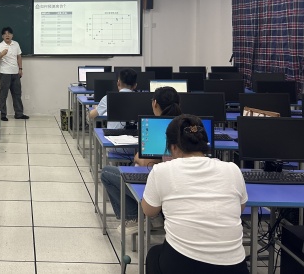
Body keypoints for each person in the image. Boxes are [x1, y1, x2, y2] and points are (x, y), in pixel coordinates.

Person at [143, 114, 248, 274]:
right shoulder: (233, 169)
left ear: (173, 147)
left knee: (153, 254)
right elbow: (239, 209)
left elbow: (149, 211)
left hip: (185, 264)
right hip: (235, 268)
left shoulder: (161, 171)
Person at [100, 86, 182, 231]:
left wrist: (137, 157)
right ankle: (153, 216)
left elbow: (146, 162)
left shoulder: (156, 125)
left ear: (154, 103)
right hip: (179, 182)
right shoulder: (188, 124)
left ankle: (136, 218)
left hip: (162, 181)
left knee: (107, 173)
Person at [0, 26, 28, 121]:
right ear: (2, 36)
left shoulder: (16, 44)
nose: (7, 35)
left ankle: (19, 114)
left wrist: (20, 69)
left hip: (15, 73)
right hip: (5, 73)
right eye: (5, 34)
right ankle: (3, 114)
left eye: (9, 33)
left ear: (12, 35)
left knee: (17, 94)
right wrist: (1, 54)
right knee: (3, 94)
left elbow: (19, 57)